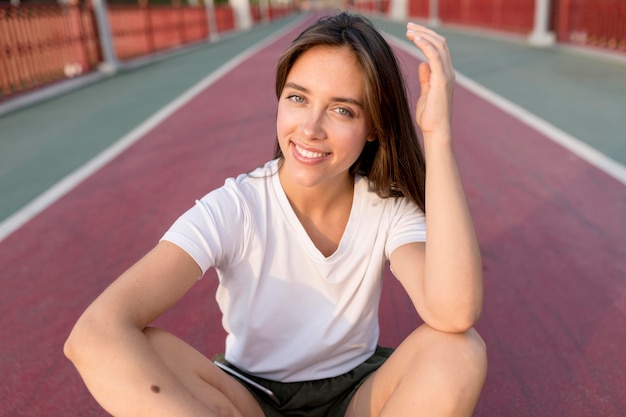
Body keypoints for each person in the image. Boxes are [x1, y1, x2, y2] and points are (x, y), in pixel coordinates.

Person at [64, 12, 487, 417]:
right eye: (298, 98)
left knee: (458, 351)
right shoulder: (236, 208)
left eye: (342, 110)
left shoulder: (386, 207)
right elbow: (92, 334)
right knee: (145, 349)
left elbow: (453, 312)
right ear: (280, 101)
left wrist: (438, 135)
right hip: (249, 399)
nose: (310, 128)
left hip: (356, 394)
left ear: (374, 126)